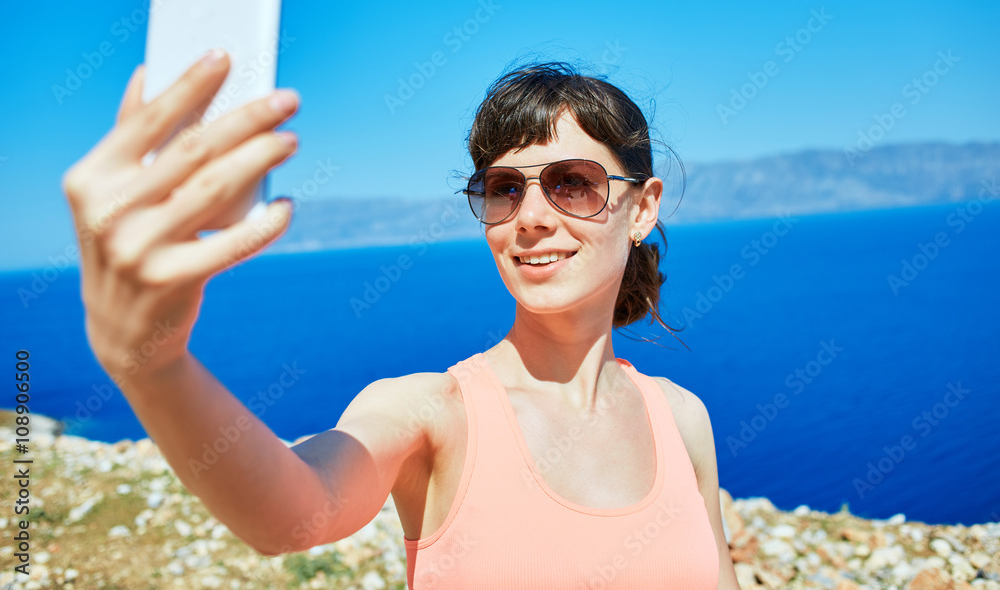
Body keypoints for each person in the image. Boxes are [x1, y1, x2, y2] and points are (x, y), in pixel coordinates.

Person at [61, 50, 741, 589]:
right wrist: (152, 365)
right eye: (504, 188)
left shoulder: (682, 419)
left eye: (572, 182)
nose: (532, 216)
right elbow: (293, 513)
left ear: (643, 206)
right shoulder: (431, 413)